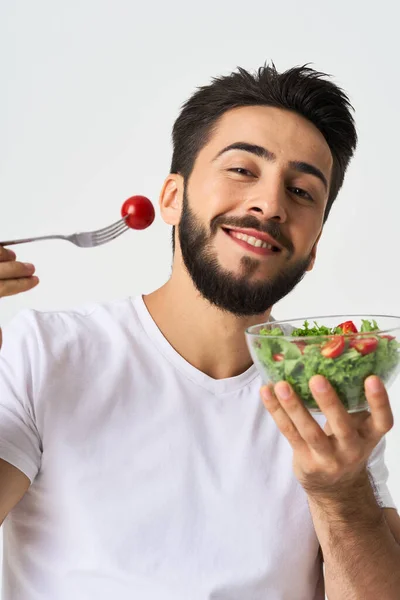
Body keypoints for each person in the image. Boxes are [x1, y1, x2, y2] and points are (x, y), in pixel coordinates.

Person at [0, 63, 399, 600]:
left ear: (313, 250)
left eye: (302, 191)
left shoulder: (329, 395)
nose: (270, 204)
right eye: (241, 170)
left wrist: (341, 494)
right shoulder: (43, 353)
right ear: (170, 198)